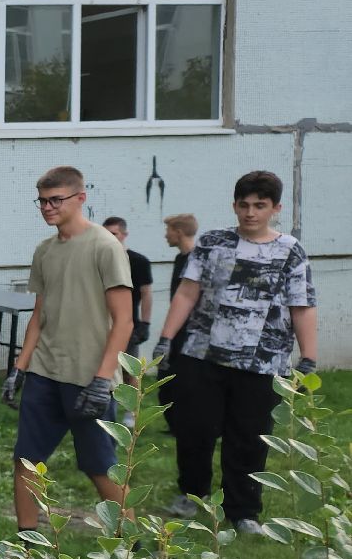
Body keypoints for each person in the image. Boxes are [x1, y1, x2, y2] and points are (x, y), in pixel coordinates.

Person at [153, 172, 317, 535]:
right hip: (201, 354)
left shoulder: (290, 250)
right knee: (193, 428)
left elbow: (301, 305)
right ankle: (192, 495)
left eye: (260, 205)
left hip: (262, 361)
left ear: (276, 208)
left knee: (250, 436)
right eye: (243, 205)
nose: (250, 212)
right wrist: (166, 339)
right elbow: (187, 293)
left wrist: (308, 359)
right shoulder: (212, 243)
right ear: (234, 206)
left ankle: (243, 512)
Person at [1, 166, 132, 532]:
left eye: (55, 200)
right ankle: (28, 544)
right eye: (41, 201)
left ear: (80, 198)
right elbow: (40, 314)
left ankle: (133, 546)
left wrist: (103, 380)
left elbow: (124, 322)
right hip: (45, 372)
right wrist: (20, 368)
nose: (47, 207)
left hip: (90, 376)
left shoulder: (106, 246)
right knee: (26, 461)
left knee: (99, 467)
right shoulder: (44, 250)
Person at [102, 216, 155, 428]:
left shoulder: (138, 261)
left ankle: (132, 414)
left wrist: (146, 323)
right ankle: (105, 410)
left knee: (129, 370)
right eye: (105, 233)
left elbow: (147, 294)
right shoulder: (99, 259)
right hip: (102, 324)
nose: (109, 238)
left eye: (113, 233)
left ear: (124, 234)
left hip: (128, 324)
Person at [156, 213, 200, 435]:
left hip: (191, 335)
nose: (166, 235)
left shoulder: (197, 259)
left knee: (183, 382)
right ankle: (176, 425)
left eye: (169, 230)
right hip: (176, 332)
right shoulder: (180, 259)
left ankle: (186, 425)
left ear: (179, 232)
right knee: (165, 380)